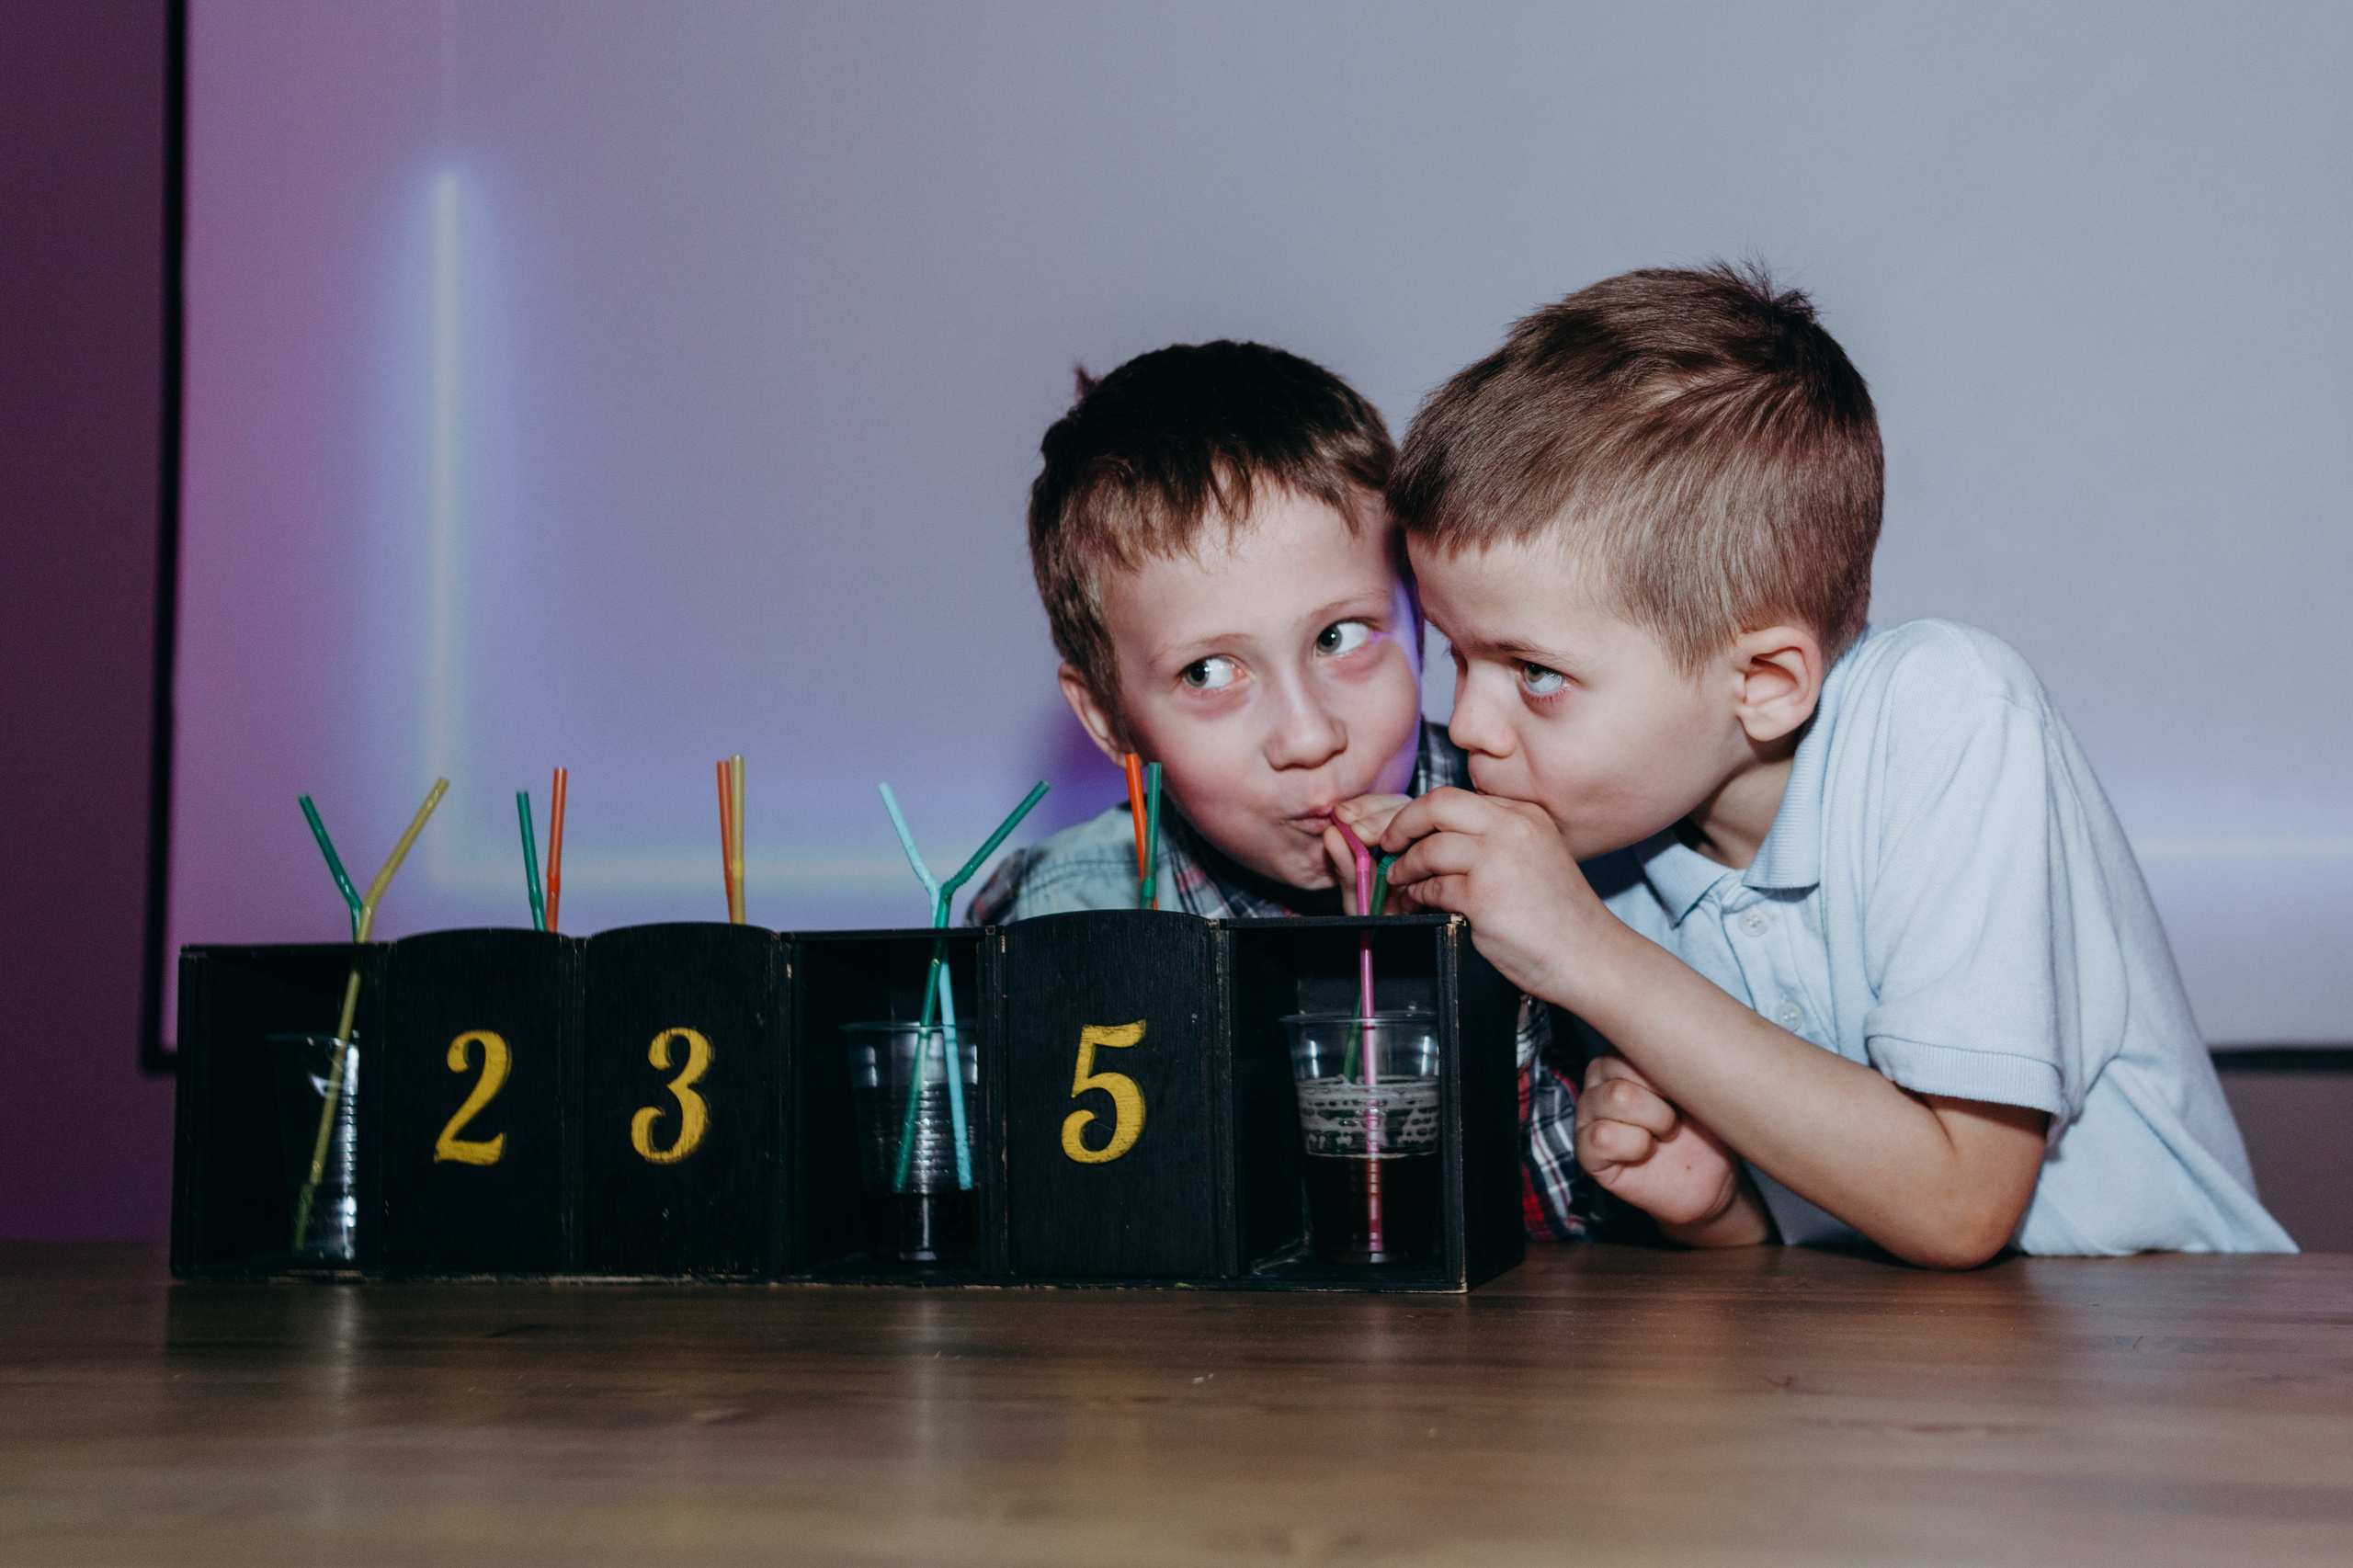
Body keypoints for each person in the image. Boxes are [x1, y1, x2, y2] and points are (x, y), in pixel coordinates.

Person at [1347, 265, 2291, 1264]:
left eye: (1533, 670)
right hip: (1909, 1378)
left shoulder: (1947, 709)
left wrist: (1586, 953)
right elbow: (1838, 1230)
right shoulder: (1597, 839)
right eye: (1455, 654)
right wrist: (1716, 1211)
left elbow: (1958, 1203)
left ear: (1762, 680)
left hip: (2181, 1350)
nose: (1473, 722)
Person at [969, 339, 1599, 1239]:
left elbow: (1593, 1244)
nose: (1309, 736)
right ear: (1107, 717)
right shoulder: (1063, 924)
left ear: (1419, 612)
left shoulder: (1550, 829)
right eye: (1209, 670)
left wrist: (1460, 966)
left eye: (1341, 636)